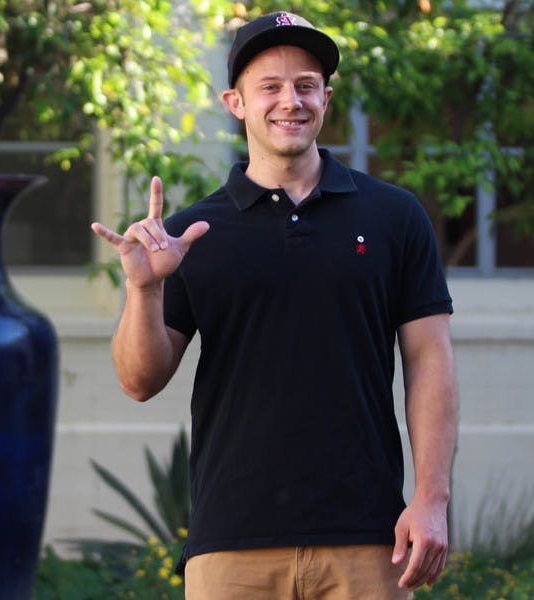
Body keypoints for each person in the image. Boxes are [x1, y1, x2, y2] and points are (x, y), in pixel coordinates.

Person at [90, 10, 459, 600]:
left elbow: (429, 361)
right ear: (236, 102)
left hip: (368, 539)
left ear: (326, 98)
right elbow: (139, 381)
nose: (291, 101)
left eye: (306, 85)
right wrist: (144, 289)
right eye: (271, 86)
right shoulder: (192, 233)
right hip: (232, 545)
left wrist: (432, 498)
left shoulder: (393, 217)